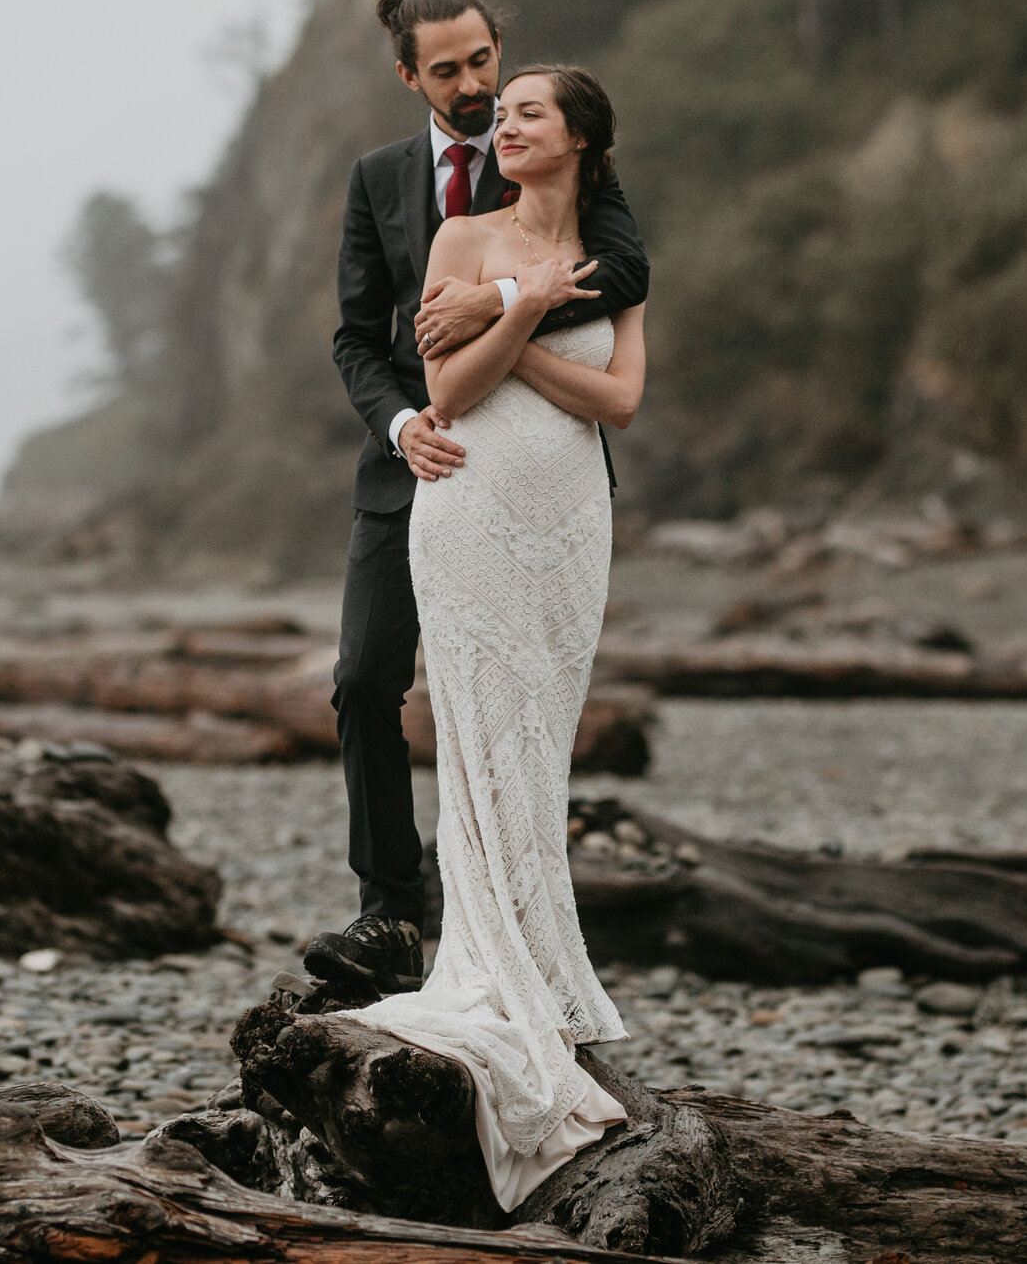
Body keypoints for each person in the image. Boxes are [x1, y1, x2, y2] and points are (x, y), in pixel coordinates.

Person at [340, 59, 647, 1210]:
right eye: (499, 111)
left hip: (569, 512)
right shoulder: (462, 239)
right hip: (466, 505)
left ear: (576, 139)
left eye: (526, 112)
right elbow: (448, 389)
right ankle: (497, 975)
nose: (499, 124)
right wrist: (517, 309)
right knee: (479, 739)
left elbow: (621, 401)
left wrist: (509, 323)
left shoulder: (613, 254)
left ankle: (548, 975)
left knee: (544, 739)